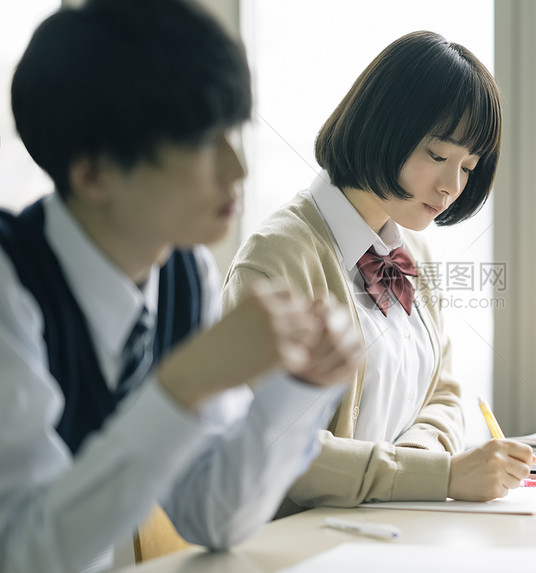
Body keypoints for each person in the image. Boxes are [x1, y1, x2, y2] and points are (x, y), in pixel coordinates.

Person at [0, 1, 362, 571]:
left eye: (233, 131)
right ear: (94, 173)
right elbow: (25, 554)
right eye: (200, 142)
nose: (237, 169)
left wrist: (300, 386)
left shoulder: (183, 277)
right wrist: (184, 383)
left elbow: (213, 517)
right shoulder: (9, 286)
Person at [222, 30, 533, 517]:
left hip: (396, 529)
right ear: (384, 126)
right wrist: (441, 477)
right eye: (438, 156)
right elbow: (281, 447)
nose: (452, 185)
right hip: (304, 546)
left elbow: (444, 392)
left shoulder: (413, 252)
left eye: (468, 167)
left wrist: (416, 469)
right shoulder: (280, 256)